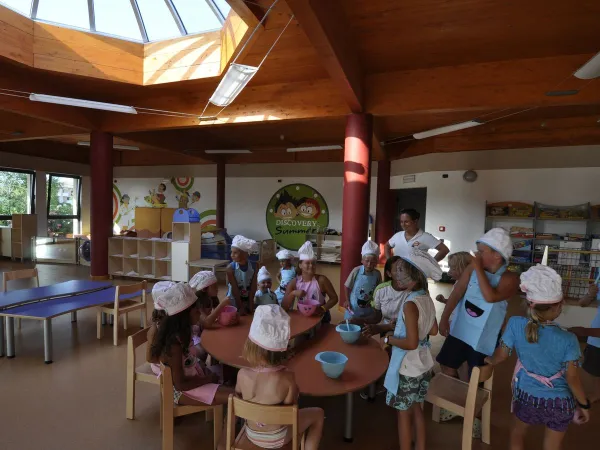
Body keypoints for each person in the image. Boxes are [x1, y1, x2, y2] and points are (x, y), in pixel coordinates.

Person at [481, 265, 590, 450]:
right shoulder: (569, 339)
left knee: (517, 433)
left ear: (529, 303)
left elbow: (501, 356)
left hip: (527, 398)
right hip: (560, 403)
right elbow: (572, 378)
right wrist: (584, 405)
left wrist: (490, 361)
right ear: (559, 306)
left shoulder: (515, 324)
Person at [151, 283, 233, 450]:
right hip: (182, 391)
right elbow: (180, 384)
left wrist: (204, 372)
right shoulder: (174, 343)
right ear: (184, 315)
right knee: (236, 396)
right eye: (196, 310)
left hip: (193, 379)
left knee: (231, 374)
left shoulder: (184, 333)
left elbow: (190, 362)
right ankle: (225, 441)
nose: (200, 313)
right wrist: (207, 378)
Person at [236, 305, 324, 450]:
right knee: (318, 414)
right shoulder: (287, 378)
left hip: (251, 434)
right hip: (278, 439)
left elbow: (239, 398)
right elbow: (290, 411)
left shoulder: (242, 374)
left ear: (251, 344)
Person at [437, 228, 520, 376]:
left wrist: (477, 268)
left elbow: (491, 297)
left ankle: (471, 398)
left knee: (477, 374)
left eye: (481, 252)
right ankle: (455, 393)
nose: (477, 255)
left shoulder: (510, 278)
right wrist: (444, 318)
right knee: (446, 364)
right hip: (461, 327)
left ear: (496, 255)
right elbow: (456, 294)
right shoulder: (472, 268)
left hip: (485, 335)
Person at [383, 249, 441, 450]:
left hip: (407, 367)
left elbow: (410, 343)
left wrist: (390, 339)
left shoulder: (409, 304)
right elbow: (434, 330)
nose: (397, 276)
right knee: (417, 409)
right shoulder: (426, 298)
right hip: (423, 365)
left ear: (412, 278)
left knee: (403, 415)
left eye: (401, 272)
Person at [282, 241, 338, 323]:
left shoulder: (321, 280)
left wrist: (322, 309)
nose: (311, 266)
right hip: (302, 315)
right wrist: (293, 293)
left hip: (321, 317)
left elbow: (334, 298)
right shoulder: (294, 282)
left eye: (313, 263)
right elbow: (284, 306)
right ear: (300, 265)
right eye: (307, 263)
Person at [569, 272, 600, 405]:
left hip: (594, 333)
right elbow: (583, 303)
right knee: (596, 370)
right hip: (596, 337)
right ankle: (597, 394)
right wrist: (590, 295)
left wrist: (584, 331)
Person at [188, 271, 234, 359]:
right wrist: (222, 305)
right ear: (204, 289)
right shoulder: (196, 303)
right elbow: (206, 323)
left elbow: (221, 314)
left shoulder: (212, 299)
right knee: (202, 352)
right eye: (214, 286)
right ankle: (200, 367)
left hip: (203, 331)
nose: (218, 289)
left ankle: (215, 363)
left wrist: (231, 317)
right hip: (193, 335)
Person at [384, 209, 449, 261]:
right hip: (398, 273)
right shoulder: (397, 235)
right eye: (401, 222)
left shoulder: (425, 236)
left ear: (415, 221)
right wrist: (389, 261)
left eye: (406, 222)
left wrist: (432, 264)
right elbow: (387, 246)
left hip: (417, 275)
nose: (403, 224)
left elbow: (444, 250)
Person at [344, 240, 382, 320]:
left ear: (376, 263)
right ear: (362, 261)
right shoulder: (356, 271)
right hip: (353, 308)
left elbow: (379, 290)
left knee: (365, 329)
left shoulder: (377, 274)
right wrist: (347, 300)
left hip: (369, 309)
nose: (369, 264)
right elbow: (347, 286)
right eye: (367, 261)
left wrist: (376, 305)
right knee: (351, 327)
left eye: (372, 262)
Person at [435, 251, 474, 324]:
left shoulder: (469, 287)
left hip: (459, 322)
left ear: (465, 270)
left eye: (453, 269)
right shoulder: (457, 282)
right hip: (453, 319)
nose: (449, 272)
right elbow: (455, 302)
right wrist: (444, 300)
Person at [147, 281, 175, 376]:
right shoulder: (156, 329)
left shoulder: (170, 319)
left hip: (170, 359)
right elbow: (151, 358)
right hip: (161, 365)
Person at [227, 235, 258, 315]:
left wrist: (250, 303)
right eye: (231, 252)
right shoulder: (230, 268)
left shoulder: (255, 266)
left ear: (245, 254)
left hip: (247, 297)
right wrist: (240, 306)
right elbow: (235, 289)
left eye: (235, 253)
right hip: (234, 298)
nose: (232, 255)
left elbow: (253, 286)